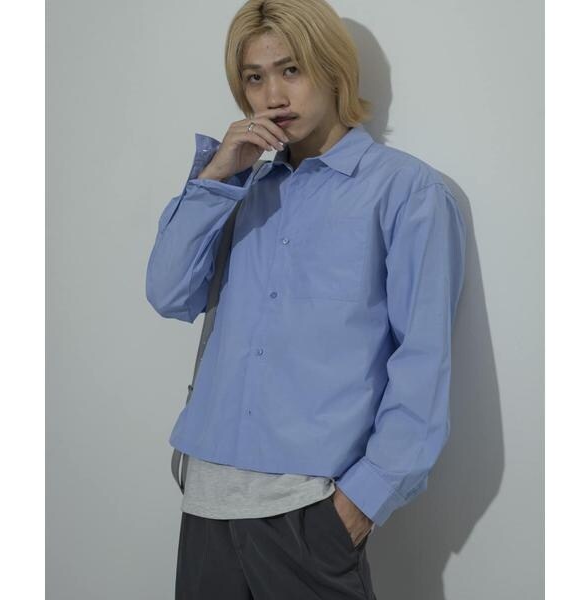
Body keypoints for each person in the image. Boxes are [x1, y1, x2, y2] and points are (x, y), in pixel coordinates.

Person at [145, 0, 467, 598]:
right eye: (254, 77)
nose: (273, 96)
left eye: (290, 70)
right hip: (207, 504)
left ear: (332, 69)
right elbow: (168, 292)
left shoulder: (407, 192)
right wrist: (215, 178)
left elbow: (423, 364)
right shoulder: (240, 189)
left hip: (309, 515)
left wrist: (359, 504)